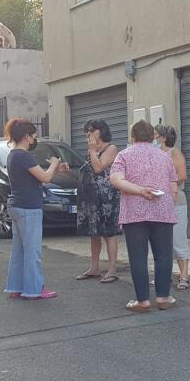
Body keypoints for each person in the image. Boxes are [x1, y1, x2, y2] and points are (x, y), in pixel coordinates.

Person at [110, 120, 179, 313]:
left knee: (138, 257)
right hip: (162, 212)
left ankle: (143, 301)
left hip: (134, 214)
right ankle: (163, 297)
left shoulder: (123, 155)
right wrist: (168, 205)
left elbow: (116, 180)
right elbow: (173, 187)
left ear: (132, 136)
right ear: (152, 137)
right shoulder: (165, 157)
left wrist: (140, 190)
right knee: (163, 255)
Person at [3, 118, 67, 300]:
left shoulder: (13, 155)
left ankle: (15, 287)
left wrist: (55, 169)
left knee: (18, 251)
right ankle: (34, 289)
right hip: (29, 207)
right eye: (33, 136)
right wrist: (54, 164)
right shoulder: (24, 156)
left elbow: (38, 177)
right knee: (32, 251)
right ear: (26, 136)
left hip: (16, 205)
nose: (34, 139)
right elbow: (45, 178)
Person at [75, 120, 122, 284]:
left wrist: (92, 150)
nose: (88, 134)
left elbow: (98, 168)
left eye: (91, 130)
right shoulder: (93, 150)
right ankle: (94, 268)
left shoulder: (111, 148)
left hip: (106, 198)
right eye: (86, 131)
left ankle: (112, 270)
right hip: (91, 199)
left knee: (109, 233)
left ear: (101, 131)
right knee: (93, 232)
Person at [156, 124, 190, 290]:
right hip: (159, 201)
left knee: (178, 239)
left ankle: (184, 275)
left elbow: (182, 175)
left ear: (163, 138)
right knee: (161, 241)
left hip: (175, 201)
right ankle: (165, 275)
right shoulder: (154, 154)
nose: (153, 138)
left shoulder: (174, 153)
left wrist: (165, 183)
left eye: (155, 135)